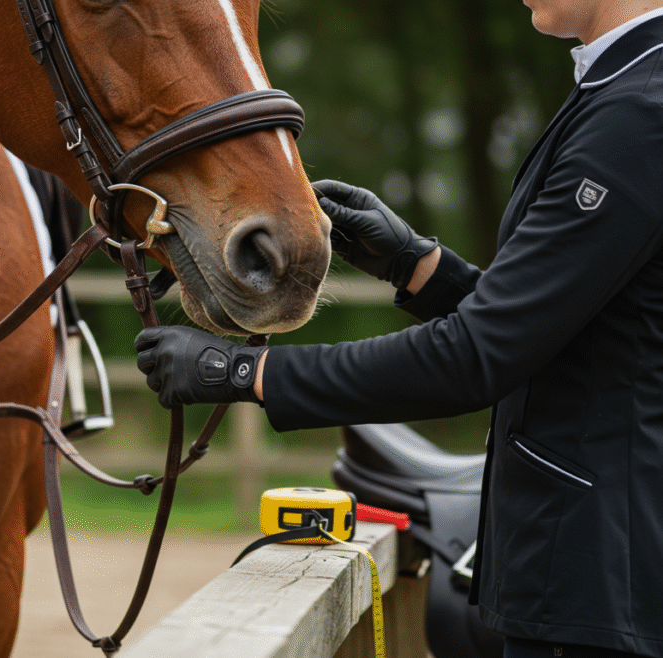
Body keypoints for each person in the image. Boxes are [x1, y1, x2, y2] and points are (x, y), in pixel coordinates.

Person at [135, 1, 663, 656]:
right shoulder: (622, 86)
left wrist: (243, 372)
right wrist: (415, 264)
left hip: (602, 588)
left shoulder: (639, 112)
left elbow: (477, 357)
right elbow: (561, 334)